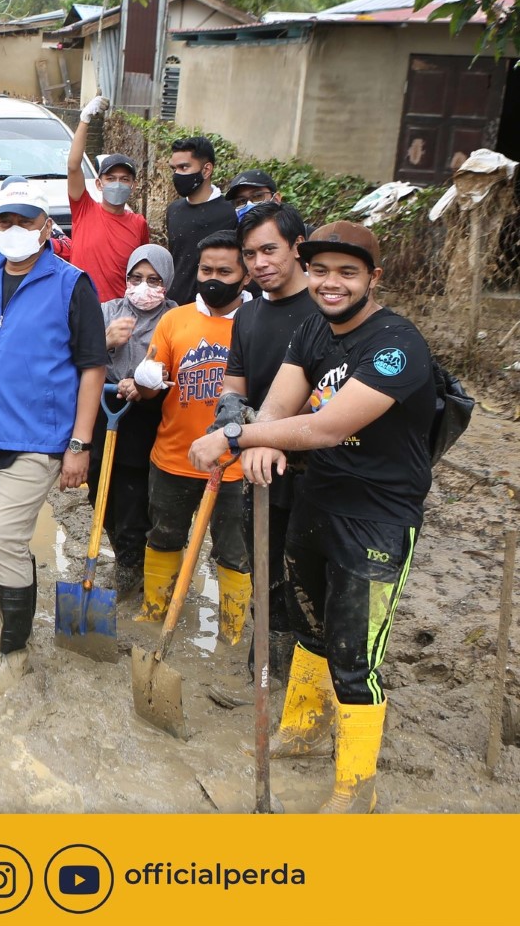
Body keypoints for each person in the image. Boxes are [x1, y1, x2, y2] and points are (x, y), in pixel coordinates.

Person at [189, 222, 435, 813]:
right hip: (316, 499)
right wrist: (264, 438)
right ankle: (304, 728)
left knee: (355, 656)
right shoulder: (313, 330)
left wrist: (236, 436)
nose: (331, 283)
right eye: (321, 270)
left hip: (376, 518)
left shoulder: (396, 345)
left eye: (348, 273)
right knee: (309, 627)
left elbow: (327, 427)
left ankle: (356, 787)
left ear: (373, 278)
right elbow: (279, 405)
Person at [0, 187, 104, 697]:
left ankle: (15, 655)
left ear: (45, 226)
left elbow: (92, 368)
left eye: (25, 220)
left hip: (39, 439)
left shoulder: (71, 284)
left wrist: (79, 444)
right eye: (4, 220)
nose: (13, 229)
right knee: (5, 542)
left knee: (2, 538)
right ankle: (11, 628)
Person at [131, 230, 250, 642]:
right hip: (174, 457)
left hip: (235, 466)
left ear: (246, 275)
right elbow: (150, 387)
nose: (213, 279)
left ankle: (232, 633)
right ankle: (154, 611)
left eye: (224, 272)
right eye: (205, 270)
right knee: (163, 536)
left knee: (234, 552)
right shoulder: (174, 319)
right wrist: (145, 379)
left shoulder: (256, 324)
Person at [215, 202, 315, 679]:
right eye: (250, 254)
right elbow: (233, 385)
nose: (260, 263)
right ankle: (268, 670)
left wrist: (265, 434)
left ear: (298, 247)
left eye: (270, 250)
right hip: (258, 465)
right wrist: (232, 423)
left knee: (310, 580)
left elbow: (329, 395)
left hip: (318, 472)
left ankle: (309, 675)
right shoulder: (248, 315)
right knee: (266, 570)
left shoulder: (324, 309)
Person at [88, 245, 177, 600]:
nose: (143, 287)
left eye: (154, 280)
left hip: (149, 415)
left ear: (167, 280)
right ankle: (120, 550)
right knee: (99, 489)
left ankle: (132, 564)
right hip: (106, 407)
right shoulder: (107, 311)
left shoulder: (175, 318)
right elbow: (76, 356)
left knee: (134, 495)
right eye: (136, 278)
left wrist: (145, 383)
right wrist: (104, 341)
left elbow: (180, 368)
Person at [66, 96, 151, 302]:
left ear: (133, 185)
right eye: (110, 178)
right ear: (99, 184)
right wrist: (84, 120)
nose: (117, 183)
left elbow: (142, 269)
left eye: (124, 179)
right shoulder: (84, 208)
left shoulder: (138, 223)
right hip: (81, 306)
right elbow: (73, 166)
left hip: (120, 309)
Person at [164, 135, 232, 306]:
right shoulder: (173, 210)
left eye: (184, 167)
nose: (177, 175)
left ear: (206, 170)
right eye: (174, 169)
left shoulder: (230, 213)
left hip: (215, 307)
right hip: (175, 306)